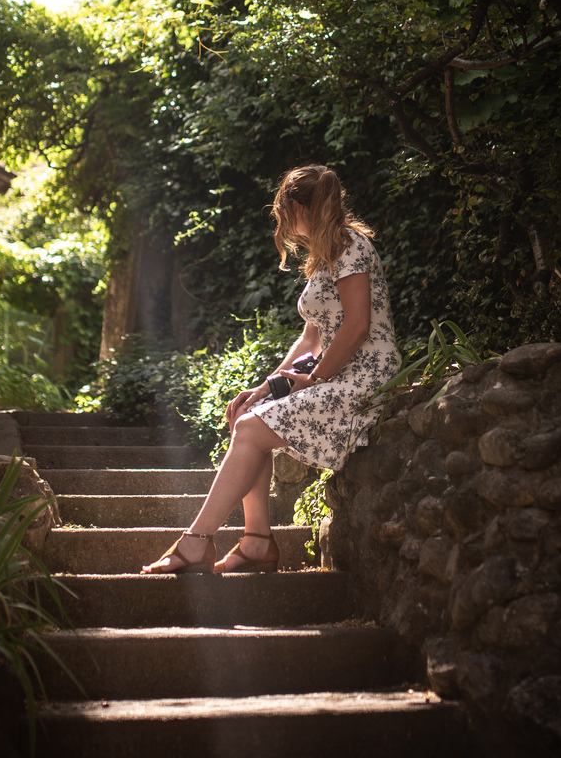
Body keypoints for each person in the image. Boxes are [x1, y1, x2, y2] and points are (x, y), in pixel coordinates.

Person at [140, 164, 402, 574]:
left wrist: (314, 379)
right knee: (247, 414)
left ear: (298, 207)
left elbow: (357, 325)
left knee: (249, 429)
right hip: (336, 372)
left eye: (283, 214)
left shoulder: (350, 246)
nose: (281, 224)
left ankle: (196, 543)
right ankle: (257, 541)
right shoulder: (322, 258)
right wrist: (266, 388)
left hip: (365, 378)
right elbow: (310, 340)